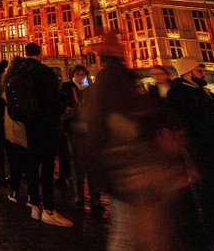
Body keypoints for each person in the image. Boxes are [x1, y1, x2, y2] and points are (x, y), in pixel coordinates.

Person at [84, 32, 198, 250]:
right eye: (116, 45)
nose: (123, 47)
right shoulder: (116, 79)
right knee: (131, 235)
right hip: (131, 171)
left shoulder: (114, 78)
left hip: (130, 170)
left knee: (138, 232)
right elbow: (120, 122)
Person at [167, 58, 214, 248]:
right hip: (204, 153)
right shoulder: (179, 94)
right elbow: (182, 125)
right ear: (187, 72)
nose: (203, 73)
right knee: (212, 196)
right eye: (199, 70)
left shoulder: (203, 91)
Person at [16, 43, 71, 227]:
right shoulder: (45, 72)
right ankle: (48, 209)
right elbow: (52, 100)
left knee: (31, 163)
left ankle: (34, 205)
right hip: (46, 124)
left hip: (28, 124)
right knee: (47, 167)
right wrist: (63, 109)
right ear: (40, 54)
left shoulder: (20, 72)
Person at [58, 64, 88, 200]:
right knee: (75, 159)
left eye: (83, 75)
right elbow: (60, 102)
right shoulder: (67, 87)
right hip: (72, 125)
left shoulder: (89, 88)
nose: (81, 77)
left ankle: (95, 197)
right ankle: (78, 195)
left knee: (89, 162)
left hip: (88, 127)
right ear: (73, 75)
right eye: (78, 74)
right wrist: (65, 108)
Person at [2, 57, 29, 205]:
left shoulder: (8, 83)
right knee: (28, 159)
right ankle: (32, 196)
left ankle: (14, 189)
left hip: (10, 125)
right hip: (24, 125)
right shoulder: (27, 82)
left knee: (14, 160)